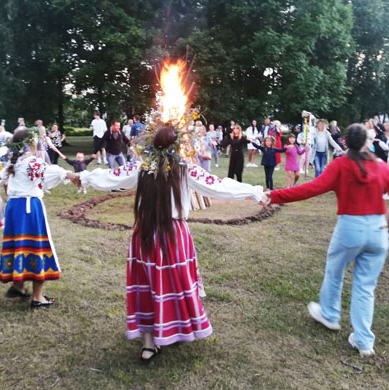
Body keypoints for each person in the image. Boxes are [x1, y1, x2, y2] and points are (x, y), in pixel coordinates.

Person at [79, 125, 266, 361]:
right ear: (177, 146)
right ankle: (171, 329)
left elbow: (110, 177)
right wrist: (253, 192)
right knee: (173, 285)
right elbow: (217, 185)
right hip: (172, 233)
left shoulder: (142, 166)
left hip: (145, 233)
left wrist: (83, 177)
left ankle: (149, 342)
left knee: (147, 285)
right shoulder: (183, 168)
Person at [267, 123, 389, 357]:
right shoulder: (379, 166)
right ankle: (364, 341)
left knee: (335, 271)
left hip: (351, 228)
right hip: (378, 231)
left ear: (346, 141)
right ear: (367, 141)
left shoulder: (341, 165)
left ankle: (329, 315)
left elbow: (311, 189)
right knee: (365, 287)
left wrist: (274, 196)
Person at [0, 129, 80, 308]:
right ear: (31, 143)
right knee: (37, 246)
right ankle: (37, 297)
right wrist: (70, 175)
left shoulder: (15, 162)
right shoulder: (31, 162)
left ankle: (18, 285)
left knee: (18, 245)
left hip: (14, 207)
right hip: (29, 208)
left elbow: (1, 179)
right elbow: (48, 171)